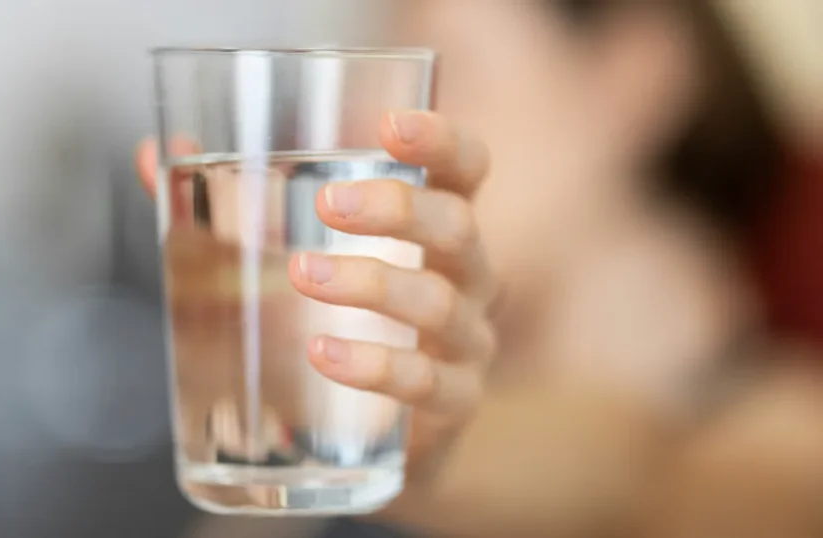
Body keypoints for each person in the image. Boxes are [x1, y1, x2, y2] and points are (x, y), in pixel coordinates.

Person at [138, 1, 823, 536]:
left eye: (445, 71)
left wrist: (414, 454)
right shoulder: (373, 403)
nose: (368, 126)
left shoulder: (778, 430)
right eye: (371, 78)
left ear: (635, 72)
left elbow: (645, 479)